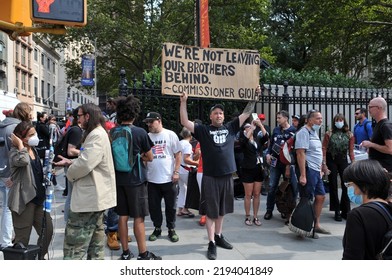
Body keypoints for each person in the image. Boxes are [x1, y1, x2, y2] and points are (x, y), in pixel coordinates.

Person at [180, 86, 257, 260]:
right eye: (215, 113)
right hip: (210, 176)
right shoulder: (203, 130)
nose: (219, 115)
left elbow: (246, 113)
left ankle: (219, 236)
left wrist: (254, 97)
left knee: (222, 209)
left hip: (227, 176)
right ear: (210, 116)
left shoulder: (231, 127)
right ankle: (211, 242)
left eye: (221, 113)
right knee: (211, 211)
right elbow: (185, 122)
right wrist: (183, 102)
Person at [55, 103, 116, 259]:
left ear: (88, 116)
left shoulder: (96, 134)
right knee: (95, 246)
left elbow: (86, 164)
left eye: (79, 116)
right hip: (95, 197)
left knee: (74, 248)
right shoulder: (97, 133)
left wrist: (70, 173)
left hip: (89, 199)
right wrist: (71, 162)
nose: (77, 119)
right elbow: (89, 160)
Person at [113, 95, 161, 260]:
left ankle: (125, 253)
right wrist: (140, 157)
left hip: (119, 180)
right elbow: (150, 157)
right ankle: (143, 254)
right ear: (134, 114)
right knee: (138, 218)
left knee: (122, 216)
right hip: (136, 181)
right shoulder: (140, 132)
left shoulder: (112, 132)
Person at [9, 121, 53, 259]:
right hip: (24, 201)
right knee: (22, 239)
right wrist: (21, 145)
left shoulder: (33, 149)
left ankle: (38, 257)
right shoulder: (15, 152)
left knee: (48, 230)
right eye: (31, 135)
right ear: (21, 138)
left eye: (35, 133)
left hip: (38, 199)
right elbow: (23, 161)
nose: (35, 137)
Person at [342, 159, 392, 259]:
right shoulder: (388, 208)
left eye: (350, 184)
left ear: (361, 184)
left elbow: (352, 257)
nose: (349, 187)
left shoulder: (358, 215)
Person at [144, 111, 182, 243]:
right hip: (152, 179)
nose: (149, 124)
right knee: (154, 207)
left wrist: (176, 172)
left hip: (168, 179)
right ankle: (157, 228)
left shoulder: (170, 134)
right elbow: (143, 155)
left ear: (159, 121)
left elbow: (178, 154)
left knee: (171, 206)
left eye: (151, 122)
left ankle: (171, 229)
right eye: (147, 122)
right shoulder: (147, 136)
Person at [295, 109, 330, 238]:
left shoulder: (313, 132)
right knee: (307, 199)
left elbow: (317, 152)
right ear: (310, 120)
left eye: (321, 118)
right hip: (308, 170)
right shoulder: (303, 132)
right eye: (318, 119)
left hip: (316, 171)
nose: (320, 121)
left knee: (320, 197)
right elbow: (300, 153)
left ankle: (316, 224)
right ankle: (302, 227)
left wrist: (323, 167)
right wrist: (303, 175)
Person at [264, 110, 296, 220]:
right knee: (272, 186)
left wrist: (288, 165)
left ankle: (285, 210)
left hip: (286, 164)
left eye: (279, 118)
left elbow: (292, 150)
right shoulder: (276, 130)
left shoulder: (293, 131)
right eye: (277, 118)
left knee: (286, 188)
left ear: (286, 118)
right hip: (275, 162)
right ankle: (269, 210)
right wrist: (268, 154)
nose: (277, 120)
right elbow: (271, 144)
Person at [322, 113, 355, 221]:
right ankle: (336, 210)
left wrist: (353, 162)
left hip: (343, 159)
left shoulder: (349, 134)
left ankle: (346, 210)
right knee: (333, 184)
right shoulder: (329, 133)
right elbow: (324, 149)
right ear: (334, 122)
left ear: (344, 121)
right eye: (337, 120)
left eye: (341, 120)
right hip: (332, 159)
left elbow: (351, 150)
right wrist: (324, 163)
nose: (339, 122)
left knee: (346, 184)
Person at [240, 119, 268, 226]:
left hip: (258, 169)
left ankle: (255, 216)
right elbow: (244, 141)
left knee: (257, 193)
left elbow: (266, 137)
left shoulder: (257, 140)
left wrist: (260, 125)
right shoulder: (244, 140)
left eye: (250, 126)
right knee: (248, 194)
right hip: (248, 169)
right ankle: (248, 216)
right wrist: (251, 128)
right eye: (246, 127)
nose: (249, 127)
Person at [62, 107, 83, 222]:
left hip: (71, 164)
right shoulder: (76, 131)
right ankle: (68, 222)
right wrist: (86, 153)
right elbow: (71, 151)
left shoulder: (74, 129)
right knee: (71, 196)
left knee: (71, 195)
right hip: (71, 165)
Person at [361, 97, 392, 172]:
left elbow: (390, 149)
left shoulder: (385, 126)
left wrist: (371, 145)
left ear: (379, 108)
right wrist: (371, 148)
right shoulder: (379, 124)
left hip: (384, 169)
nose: (368, 110)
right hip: (377, 168)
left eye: (370, 107)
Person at [177, 127, 199, 218]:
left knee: (183, 188)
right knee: (191, 189)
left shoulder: (179, 143)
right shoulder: (188, 145)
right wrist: (197, 163)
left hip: (178, 169)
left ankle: (180, 208)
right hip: (186, 169)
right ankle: (186, 208)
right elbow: (186, 159)